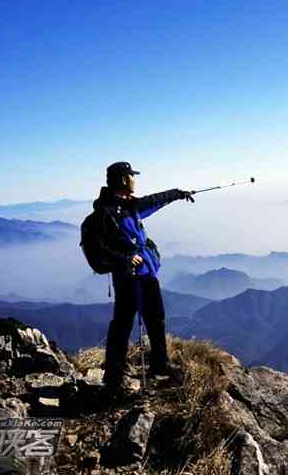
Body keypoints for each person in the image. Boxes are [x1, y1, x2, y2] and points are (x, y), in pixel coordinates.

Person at [90, 161, 195, 399]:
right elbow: (100, 247)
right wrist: (126, 259)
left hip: (146, 275)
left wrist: (179, 194)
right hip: (128, 278)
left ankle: (158, 366)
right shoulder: (107, 214)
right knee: (124, 325)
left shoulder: (129, 206)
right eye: (132, 176)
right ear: (124, 180)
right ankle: (115, 377)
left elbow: (155, 199)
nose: (135, 180)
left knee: (154, 320)